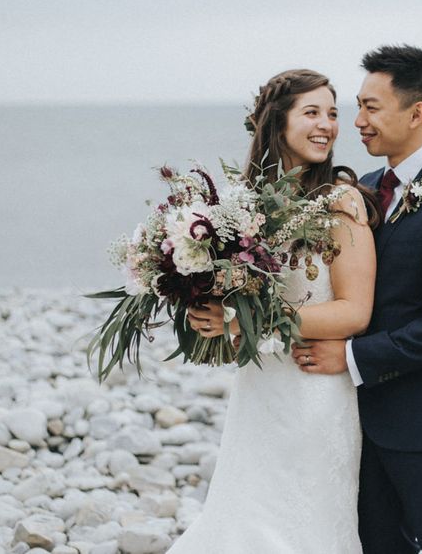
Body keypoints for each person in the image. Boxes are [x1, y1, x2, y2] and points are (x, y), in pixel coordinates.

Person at [292, 46, 422, 554]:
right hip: (356, 424)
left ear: (417, 112)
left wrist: (352, 356)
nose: (356, 122)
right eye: (356, 106)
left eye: (371, 108)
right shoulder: (358, 190)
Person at [165, 69, 378, 553]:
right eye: (312, 112)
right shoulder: (244, 207)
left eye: (332, 114)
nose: (326, 124)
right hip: (261, 390)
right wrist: (208, 310)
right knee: (243, 516)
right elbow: (246, 297)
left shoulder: (340, 202)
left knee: (301, 528)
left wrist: (245, 319)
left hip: (315, 394)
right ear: (276, 122)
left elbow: (354, 312)